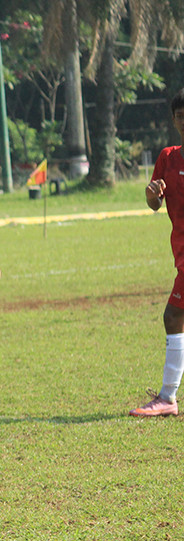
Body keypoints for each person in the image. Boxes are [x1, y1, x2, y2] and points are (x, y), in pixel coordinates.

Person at [130, 88, 184, 417]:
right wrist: (152, 193)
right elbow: (154, 204)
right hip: (180, 251)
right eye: (180, 117)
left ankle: (167, 397)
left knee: (174, 315)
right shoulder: (167, 157)